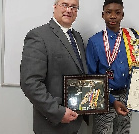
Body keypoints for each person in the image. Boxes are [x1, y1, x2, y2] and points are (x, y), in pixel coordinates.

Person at [86, 0, 139, 133]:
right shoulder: (94, 41)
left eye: (117, 12)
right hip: (105, 96)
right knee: (102, 131)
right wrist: (111, 100)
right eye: (109, 12)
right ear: (103, 15)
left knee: (123, 131)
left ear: (122, 15)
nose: (113, 16)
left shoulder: (131, 38)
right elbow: (91, 75)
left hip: (127, 95)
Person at [20, 0, 88, 133]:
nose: (69, 10)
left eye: (74, 7)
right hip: (52, 124)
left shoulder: (77, 38)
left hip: (74, 122)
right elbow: (30, 82)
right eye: (65, 5)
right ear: (55, 6)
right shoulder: (38, 36)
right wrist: (58, 112)